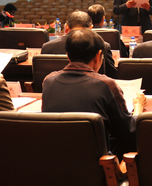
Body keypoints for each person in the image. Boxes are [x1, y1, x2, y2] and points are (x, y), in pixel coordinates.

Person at [42, 29, 145, 158]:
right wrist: (138, 108)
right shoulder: (106, 85)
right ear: (98, 55)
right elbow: (128, 133)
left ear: (67, 56)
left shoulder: (48, 81)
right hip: (98, 165)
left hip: (54, 161)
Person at [41, 10, 118, 78]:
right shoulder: (103, 46)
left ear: (66, 27)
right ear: (91, 28)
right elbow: (113, 76)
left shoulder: (47, 47)